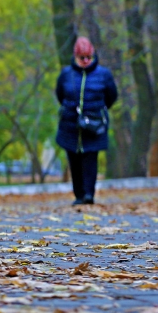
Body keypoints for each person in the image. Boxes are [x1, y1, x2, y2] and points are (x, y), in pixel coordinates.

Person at [55, 37, 118, 205]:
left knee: (90, 159)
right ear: (75, 56)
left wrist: (96, 111)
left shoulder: (103, 75)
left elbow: (111, 96)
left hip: (94, 125)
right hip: (70, 126)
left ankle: (89, 194)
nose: (85, 61)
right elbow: (60, 95)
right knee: (74, 159)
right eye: (81, 57)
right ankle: (79, 194)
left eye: (88, 57)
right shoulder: (66, 74)